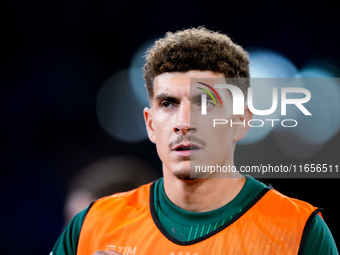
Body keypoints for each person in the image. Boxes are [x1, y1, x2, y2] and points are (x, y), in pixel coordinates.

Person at [51, 27, 338, 255]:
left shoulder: (301, 230)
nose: (184, 123)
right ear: (150, 124)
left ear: (241, 122)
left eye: (206, 102)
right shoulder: (91, 225)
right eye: (168, 103)